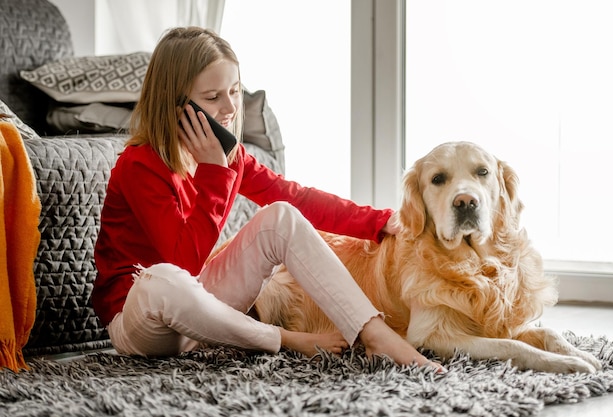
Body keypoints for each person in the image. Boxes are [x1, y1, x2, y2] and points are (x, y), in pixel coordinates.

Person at [92, 26, 445, 373]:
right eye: (213, 97)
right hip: (142, 320)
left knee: (282, 215)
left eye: (234, 91)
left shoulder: (230, 157)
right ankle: (283, 338)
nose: (230, 108)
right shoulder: (141, 165)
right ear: (175, 105)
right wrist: (213, 174)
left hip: (201, 316)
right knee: (164, 278)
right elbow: (183, 260)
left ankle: (374, 333)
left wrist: (377, 220)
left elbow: (298, 198)